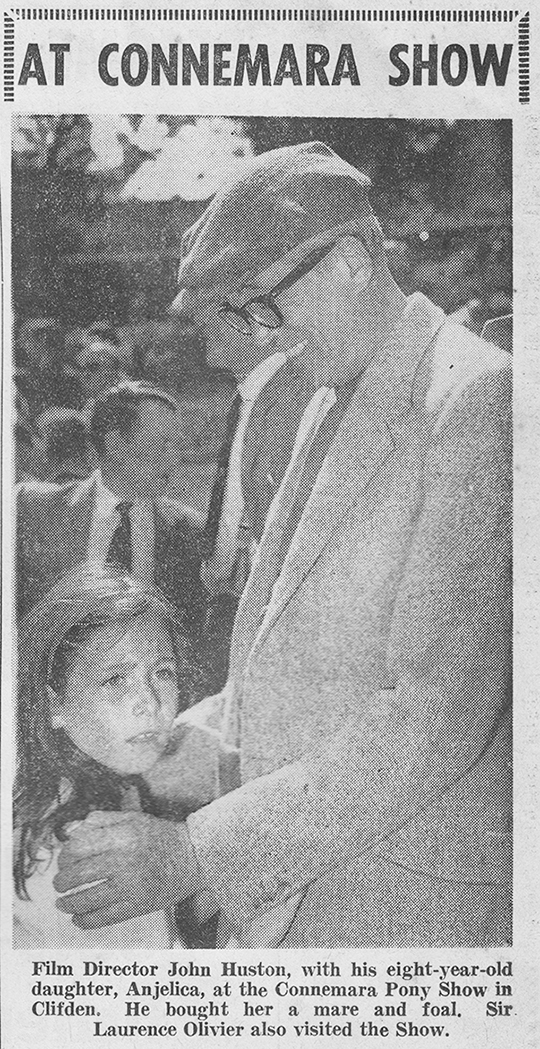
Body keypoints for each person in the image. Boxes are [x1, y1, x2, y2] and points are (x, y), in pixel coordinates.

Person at [55, 142, 512, 948]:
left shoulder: (477, 397)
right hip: (293, 893)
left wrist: (198, 850)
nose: (258, 334)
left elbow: (432, 717)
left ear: (349, 261)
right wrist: (168, 729)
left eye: (263, 305)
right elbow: (288, 644)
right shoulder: (324, 396)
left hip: (402, 909)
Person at [13, 565, 197, 948]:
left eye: (163, 672)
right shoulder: (85, 848)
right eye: (116, 680)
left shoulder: (78, 794)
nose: (149, 702)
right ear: (54, 705)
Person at [16, 381, 205, 639]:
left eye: (176, 445)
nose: (174, 458)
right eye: (162, 443)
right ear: (115, 444)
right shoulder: (32, 508)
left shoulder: (188, 529)